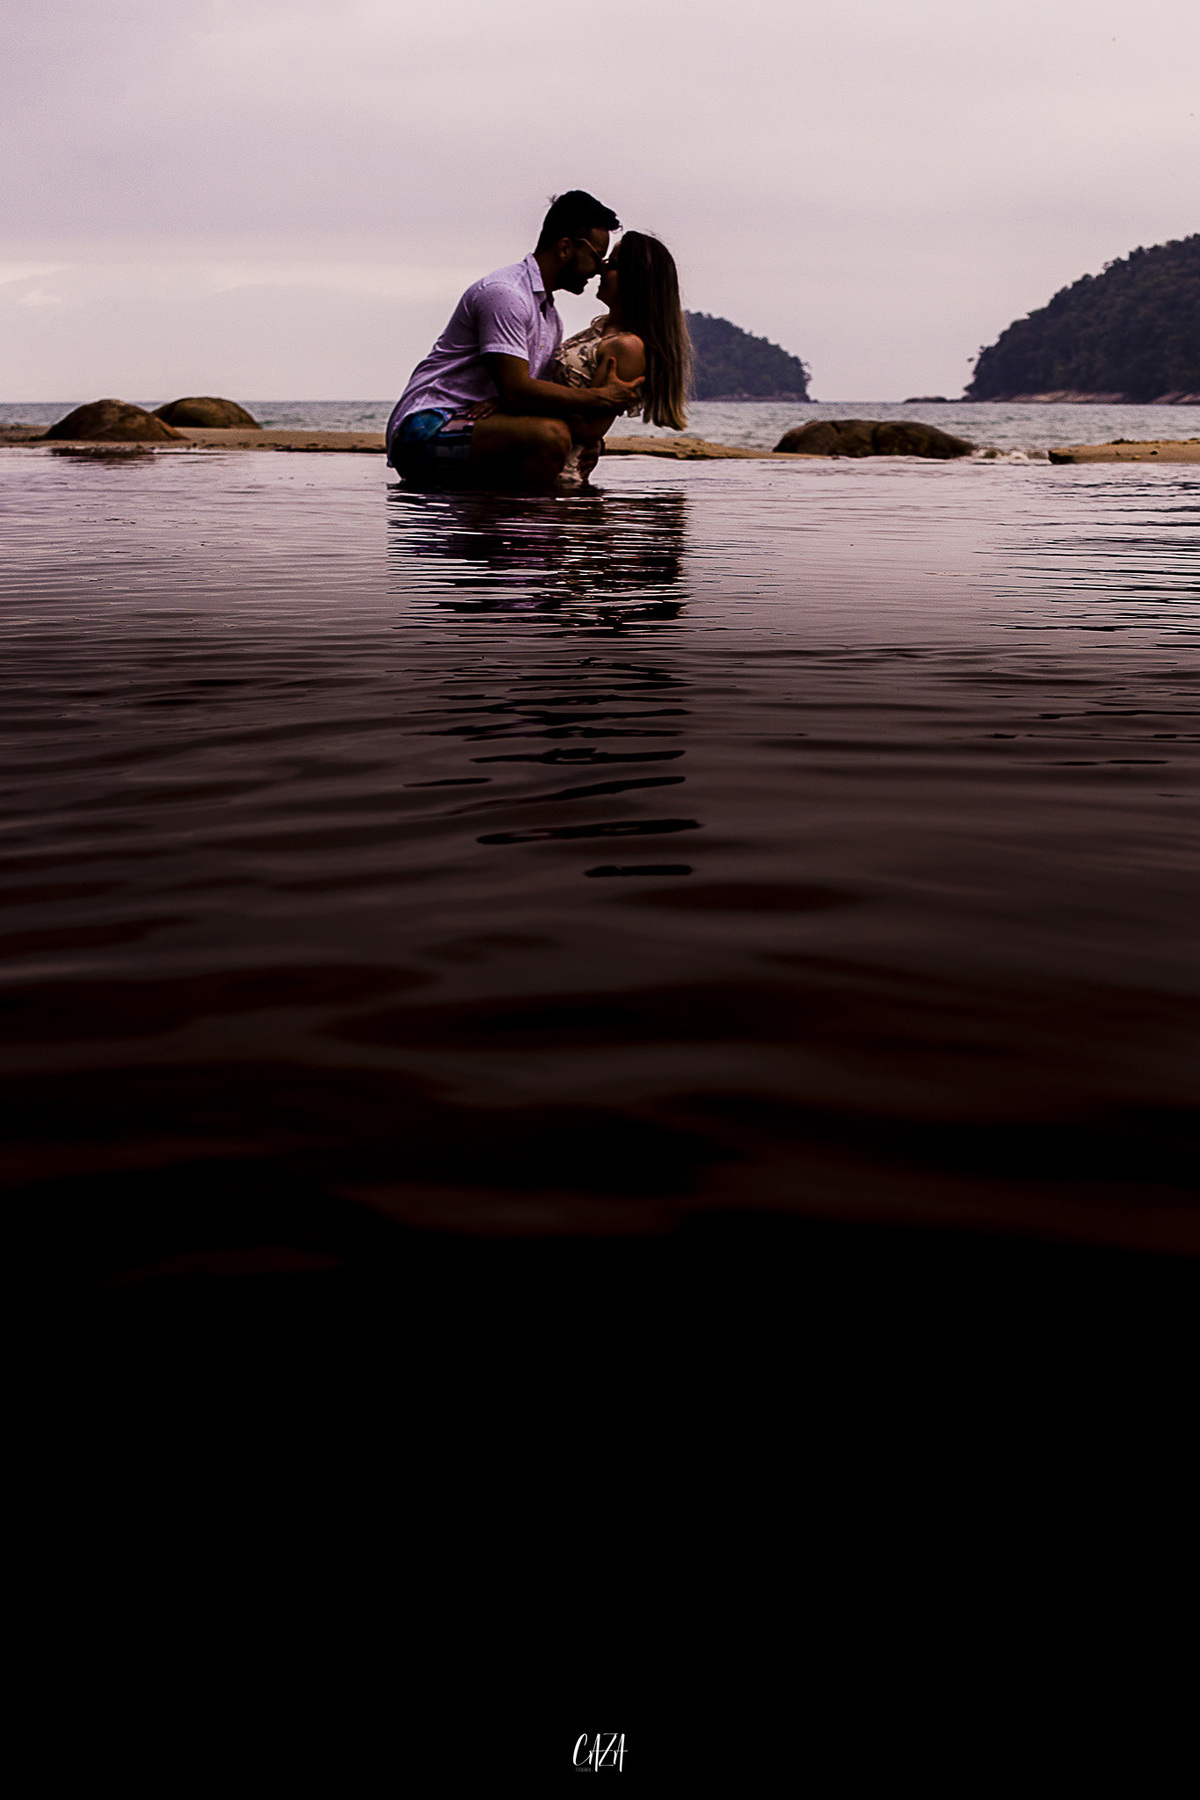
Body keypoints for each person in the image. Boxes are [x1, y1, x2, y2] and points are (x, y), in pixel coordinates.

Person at [387, 191, 644, 490]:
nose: (599, 269)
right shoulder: (506, 294)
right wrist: (602, 397)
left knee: (551, 462)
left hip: (482, 426)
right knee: (551, 437)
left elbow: (537, 395)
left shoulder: (549, 316)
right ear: (564, 248)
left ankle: (512, 528)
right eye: (597, 257)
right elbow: (518, 391)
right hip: (426, 428)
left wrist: (592, 439)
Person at [550, 230, 691, 484]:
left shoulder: (627, 347)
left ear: (634, 279)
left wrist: (524, 394)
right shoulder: (601, 330)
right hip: (542, 460)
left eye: (612, 264)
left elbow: (589, 428)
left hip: (560, 478)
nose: (601, 269)